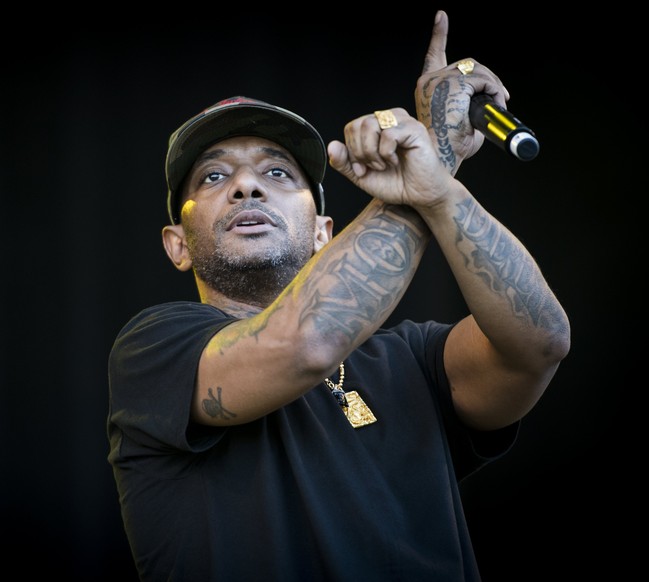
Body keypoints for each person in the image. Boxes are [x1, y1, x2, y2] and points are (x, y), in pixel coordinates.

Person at [106, 10, 570, 582]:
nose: (247, 185)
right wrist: (438, 155)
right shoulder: (153, 349)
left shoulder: (413, 361)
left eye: (278, 174)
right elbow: (308, 344)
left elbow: (541, 342)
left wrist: (441, 194)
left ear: (325, 233)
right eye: (212, 177)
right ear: (177, 245)